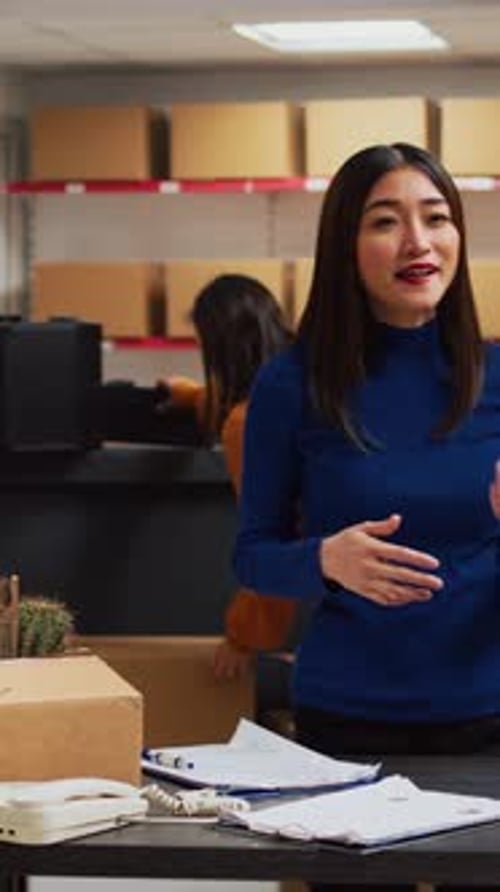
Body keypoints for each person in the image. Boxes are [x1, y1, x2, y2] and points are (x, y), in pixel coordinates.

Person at [233, 142, 500, 892]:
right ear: (346, 245)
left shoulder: (498, 374)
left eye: (437, 218)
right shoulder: (292, 384)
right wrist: (322, 559)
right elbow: (251, 555)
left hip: (488, 717)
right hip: (348, 723)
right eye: (387, 221)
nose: (418, 242)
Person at [163, 273, 297, 681]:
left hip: (314, 611)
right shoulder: (302, 381)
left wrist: (245, 636)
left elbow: (276, 538)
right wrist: (189, 394)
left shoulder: (248, 423)